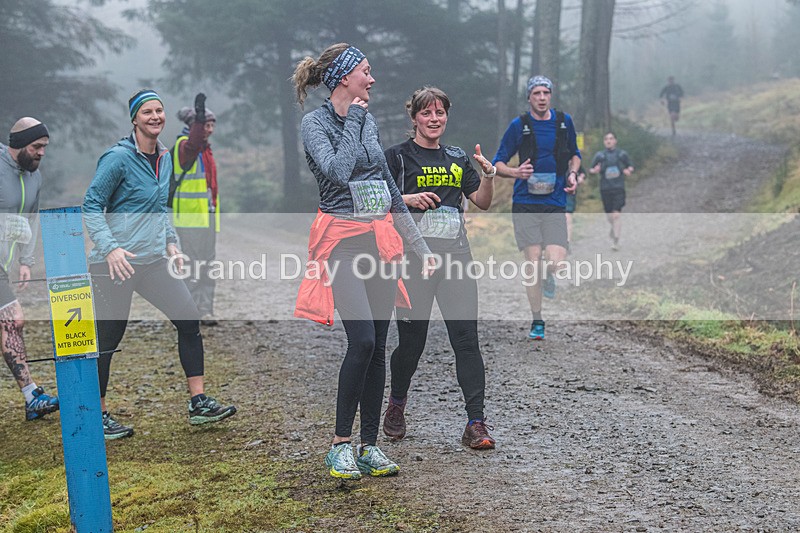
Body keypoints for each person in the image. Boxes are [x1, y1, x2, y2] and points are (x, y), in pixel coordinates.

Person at [292, 43, 435, 480]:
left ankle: (369, 446)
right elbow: (337, 170)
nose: (372, 80)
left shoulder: (369, 119)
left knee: (378, 347)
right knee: (363, 341)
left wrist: (421, 250)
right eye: (366, 72)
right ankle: (340, 445)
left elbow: (388, 189)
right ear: (344, 77)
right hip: (343, 244)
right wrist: (353, 119)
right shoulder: (314, 123)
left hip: (381, 244)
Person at [83, 89, 236, 440]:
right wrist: (110, 249)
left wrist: (172, 245)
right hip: (115, 265)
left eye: (159, 111)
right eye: (147, 112)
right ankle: (97, 415)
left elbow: (161, 209)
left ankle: (198, 403)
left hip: (153, 261)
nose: (155, 117)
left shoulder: (165, 157)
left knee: (188, 318)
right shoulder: (117, 159)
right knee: (107, 339)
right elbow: (91, 206)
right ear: (135, 118)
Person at [381, 87, 496, 450]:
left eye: (440, 113)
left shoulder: (458, 158)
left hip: (456, 261)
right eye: (427, 113)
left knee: (466, 341)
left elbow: (482, 202)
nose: (434, 119)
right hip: (414, 263)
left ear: (447, 116)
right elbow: (376, 202)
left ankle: (475, 423)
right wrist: (407, 200)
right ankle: (397, 403)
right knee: (411, 344)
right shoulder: (397, 158)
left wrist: (489, 175)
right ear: (413, 117)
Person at [492, 75, 580, 341]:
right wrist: (516, 172)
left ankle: (549, 275)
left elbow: (575, 154)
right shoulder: (519, 126)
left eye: (546, 93)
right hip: (526, 204)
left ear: (550, 96)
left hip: (554, 202)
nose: (541, 97)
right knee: (532, 263)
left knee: (555, 262)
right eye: (536, 93)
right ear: (529, 97)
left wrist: (573, 174)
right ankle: (537, 318)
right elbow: (497, 163)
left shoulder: (564, 122)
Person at [0, 118, 59, 420]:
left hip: (4, 265)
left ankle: (30, 397)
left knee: (10, 323)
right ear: (19, 144)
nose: (41, 153)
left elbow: (30, 220)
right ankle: (32, 395)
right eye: (37, 147)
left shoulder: (33, 177)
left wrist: (26, 261)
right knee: (13, 321)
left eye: (44, 147)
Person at [171, 93, 220, 325]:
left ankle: (206, 310)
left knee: (208, 265)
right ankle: (189, 313)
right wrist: (199, 118)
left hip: (207, 218)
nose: (209, 129)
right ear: (194, 127)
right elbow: (194, 141)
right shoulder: (185, 146)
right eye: (205, 125)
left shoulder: (206, 150)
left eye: (211, 125)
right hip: (189, 219)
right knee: (192, 265)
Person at [589, 132, 634, 251]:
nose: (608, 141)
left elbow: (630, 166)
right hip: (605, 188)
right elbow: (591, 169)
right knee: (610, 216)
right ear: (604, 142)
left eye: (611, 138)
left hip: (618, 188)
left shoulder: (622, 154)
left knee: (616, 215)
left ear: (615, 141)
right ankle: (613, 228)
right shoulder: (600, 155)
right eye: (606, 139)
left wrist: (628, 171)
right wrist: (595, 170)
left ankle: (616, 241)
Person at [565, 165, 586, 250]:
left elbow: (583, 172)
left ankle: (567, 243)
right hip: (553, 191)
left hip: (569, 191)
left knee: (567, 216)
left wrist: (581, 177)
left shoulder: (573, 159)